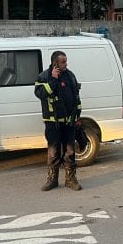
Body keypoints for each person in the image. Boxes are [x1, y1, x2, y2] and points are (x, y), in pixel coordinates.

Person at [34, 50, 82, 191]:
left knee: (70, 152)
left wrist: (77, 114)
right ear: (55, 62)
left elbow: (76, 96)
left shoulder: (70, 75)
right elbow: (40, 94)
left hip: (69, 121)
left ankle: (70, 180)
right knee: (54, 152)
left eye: (66, 61)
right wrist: (53, 80)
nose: (66, 64)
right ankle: (52, 180)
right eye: (63, 62)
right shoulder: (43, 77)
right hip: (52, 122)